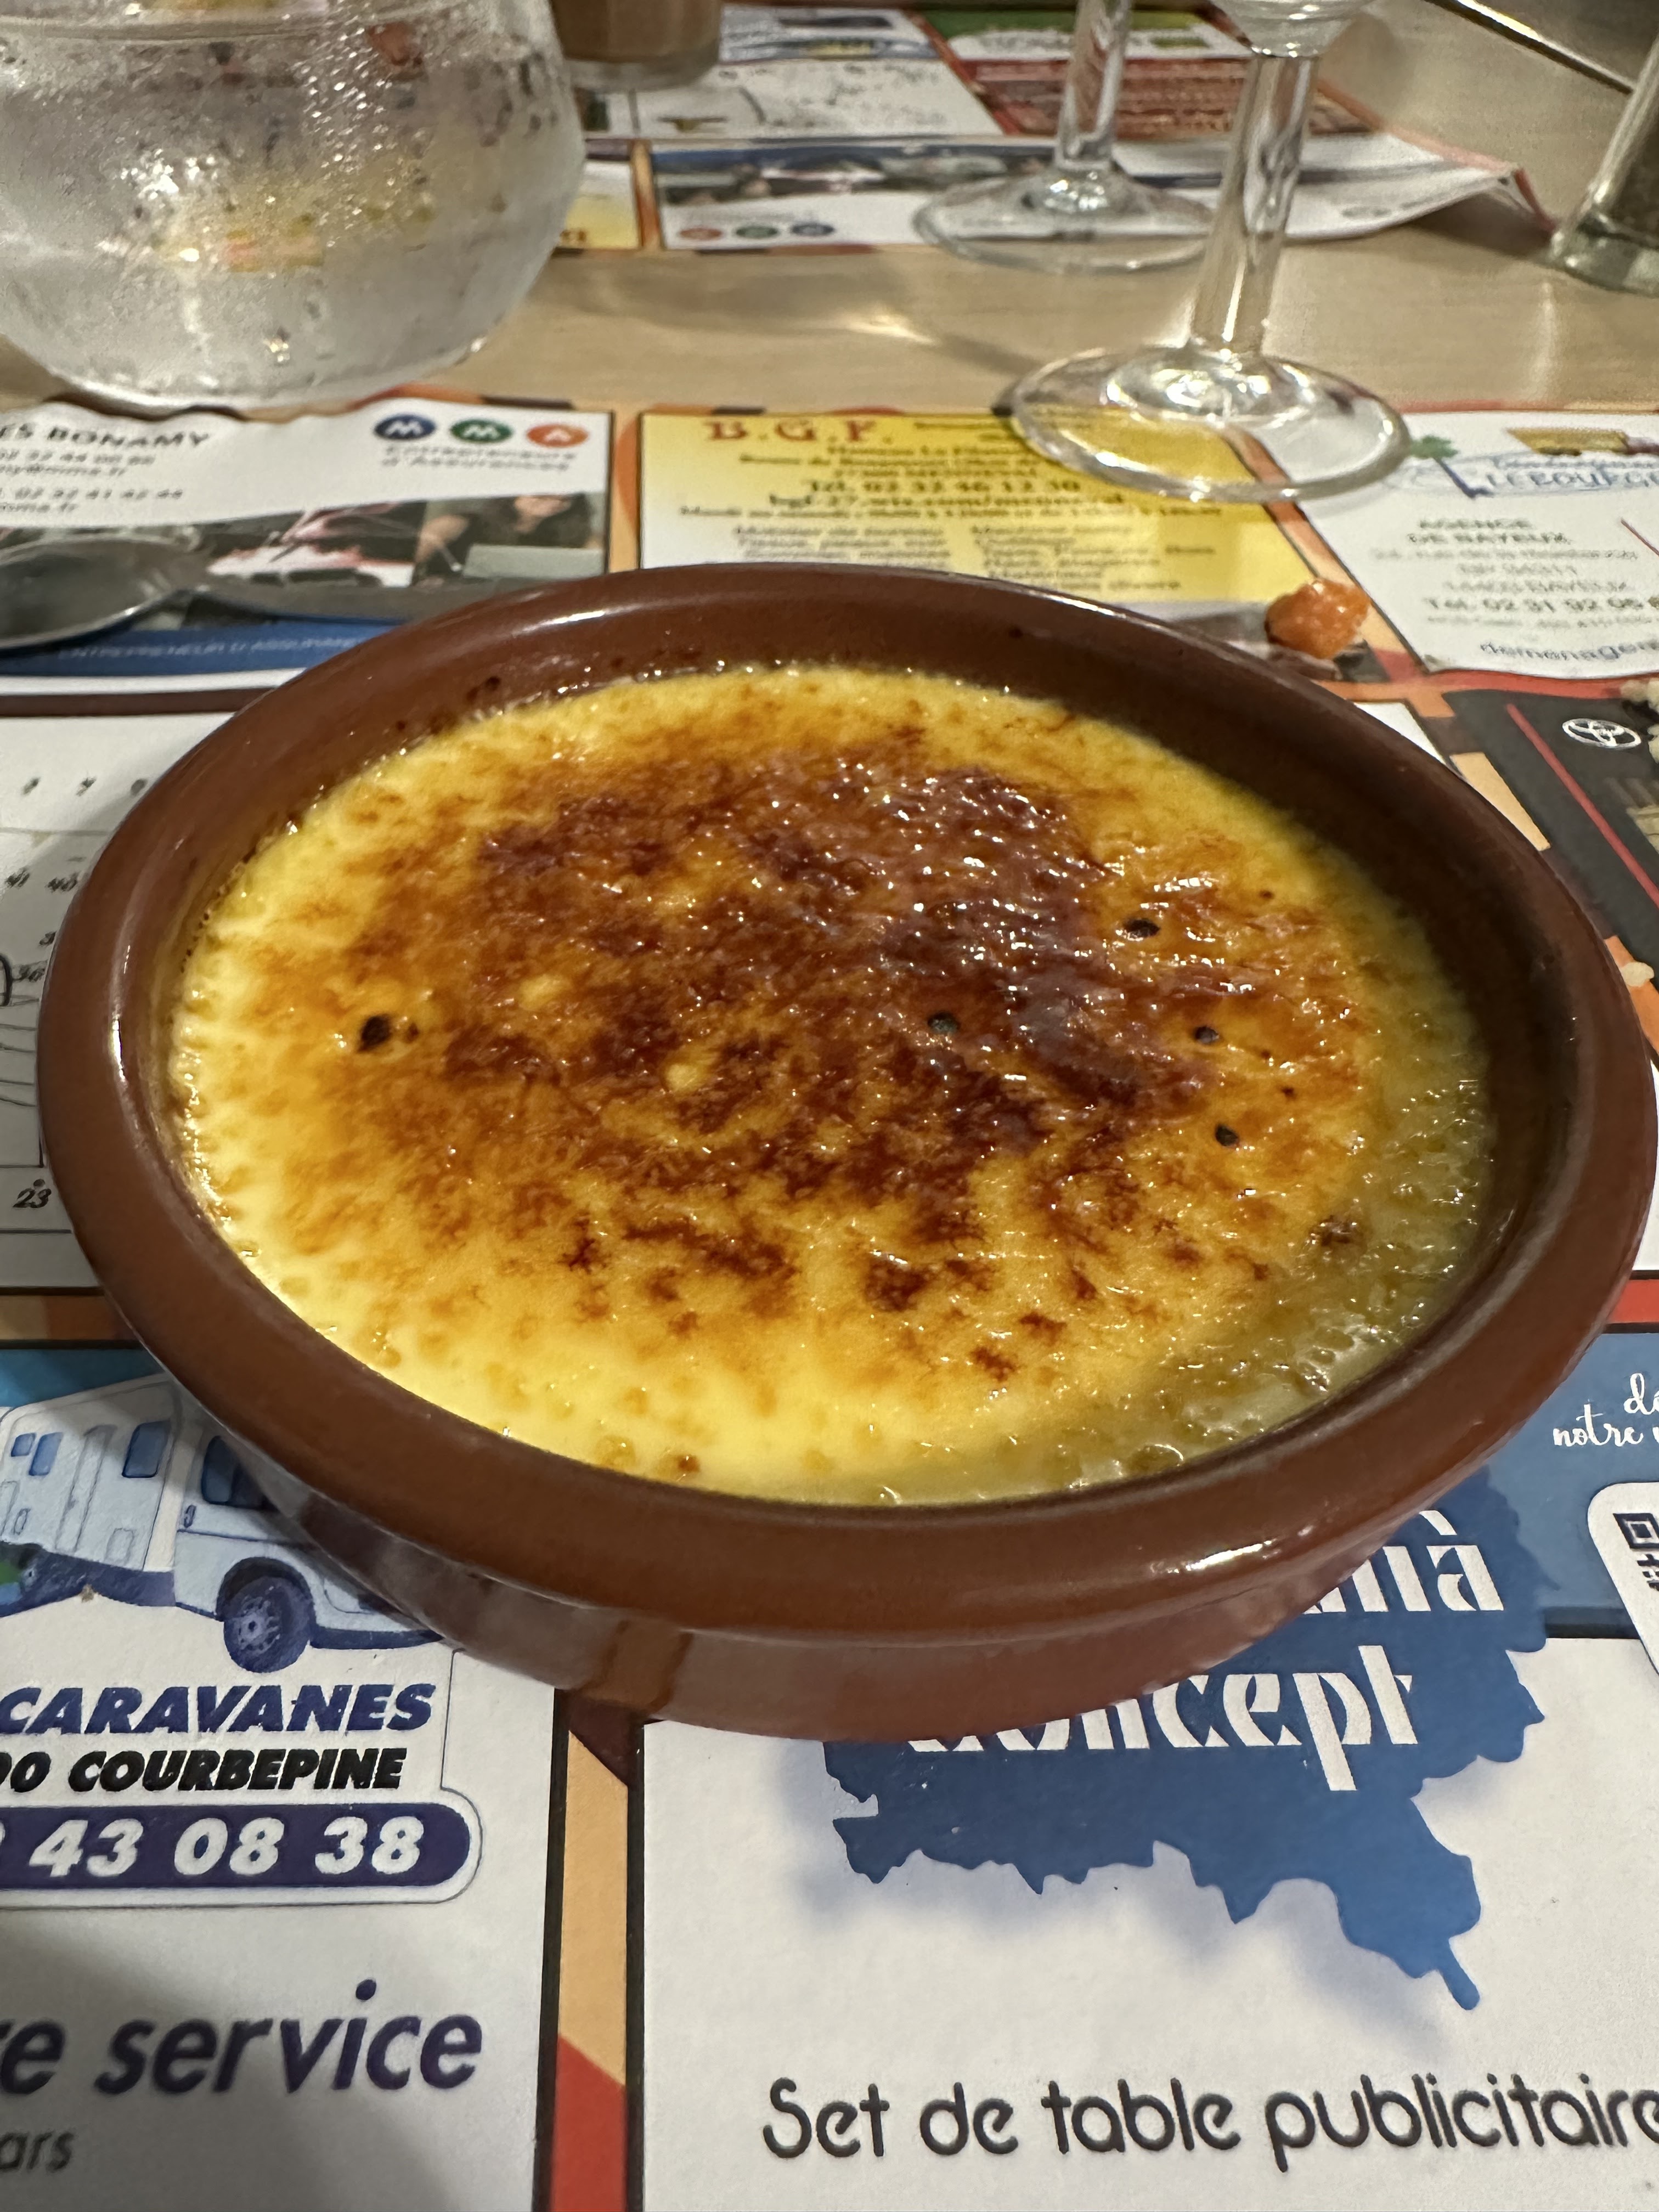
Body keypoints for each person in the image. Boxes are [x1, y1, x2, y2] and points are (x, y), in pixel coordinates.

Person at [414, 494, 599, 578]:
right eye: (542, 495)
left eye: (566, 499)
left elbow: (601, 574)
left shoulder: (582, 536)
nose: (554, 502)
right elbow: (406, 563)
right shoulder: (453, 525)